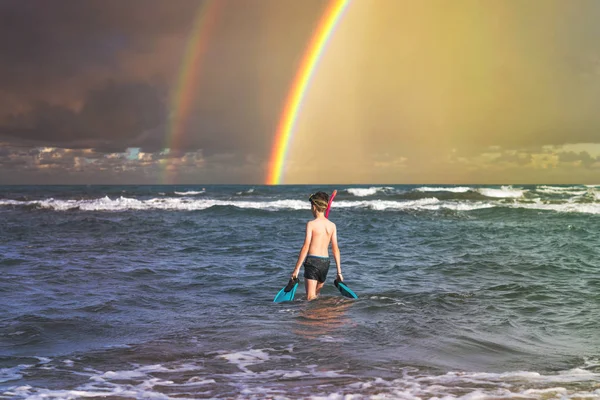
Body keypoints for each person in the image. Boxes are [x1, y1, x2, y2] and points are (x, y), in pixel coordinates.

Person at [290, 191, 342, 301]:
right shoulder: (332, 226)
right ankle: (320, 316)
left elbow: (305, 247)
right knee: (316, 297)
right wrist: (339, 272)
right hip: (325, 263)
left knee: (310, 298)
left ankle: (311, 317)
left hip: (313, 262)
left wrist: (296, 269)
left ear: (314, 207)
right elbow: (335, 249)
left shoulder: (311, 224)